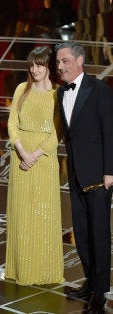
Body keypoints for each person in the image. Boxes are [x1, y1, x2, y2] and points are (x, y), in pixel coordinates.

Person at [56, 41, 113, 313]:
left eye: (65, 60)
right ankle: (90, 283)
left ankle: (100, 293)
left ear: (80, 61)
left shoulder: (100, 90)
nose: (60, 66)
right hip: (76, 176)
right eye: (58, 62)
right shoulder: (60, 92)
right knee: (82, 233)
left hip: (100, 178)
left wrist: (110, 171)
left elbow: (110, 132)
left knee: (99, 235)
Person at [4, 46, 64, 286]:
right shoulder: (21, 89)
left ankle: (46, 271)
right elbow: (11, 123)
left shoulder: (58, 94)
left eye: (39, 64)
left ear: (49, 66)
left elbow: (57, 132)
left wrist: (35, 155)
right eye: (31, 65)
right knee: (21, 213)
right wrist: (22, 151)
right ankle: (21, 270)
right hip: (20, 155)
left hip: (44, 159)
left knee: (44, 214)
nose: (34, 69)